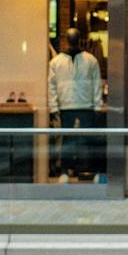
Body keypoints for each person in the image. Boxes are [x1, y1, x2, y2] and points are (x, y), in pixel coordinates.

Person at [48, 29, 104, 181]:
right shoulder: (57, 62)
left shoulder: (90, 60)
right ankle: (65, 170)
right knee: (68, 140)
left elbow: (96, 83)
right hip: (67, 105)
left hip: (86, 105)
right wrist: (53, 106)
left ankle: (84, 170)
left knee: (86, 139)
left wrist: (98, 104)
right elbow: (51, 85)